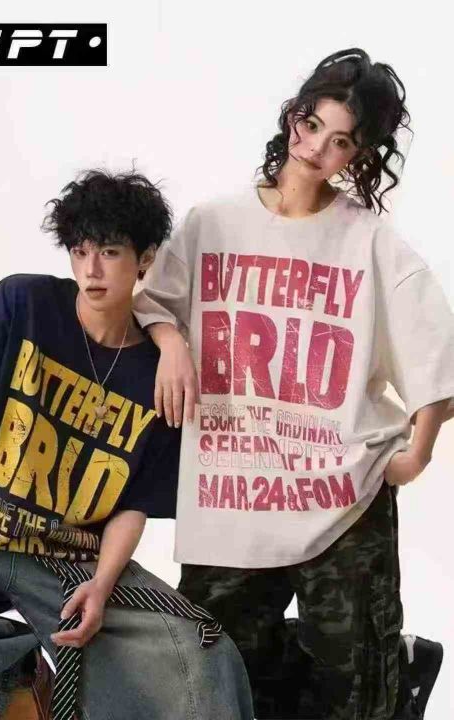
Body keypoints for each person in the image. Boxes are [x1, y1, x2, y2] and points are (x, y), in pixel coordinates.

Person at [133, 49, 454, 719]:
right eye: (312, 126)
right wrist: (172, 343)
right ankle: (391, 663)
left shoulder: (369, 242)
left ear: (358, 156)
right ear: (292, 117)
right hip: (235, 495)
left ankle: (390, 671)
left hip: (342, 499)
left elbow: (436, 351)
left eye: (341, 142)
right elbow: (152, 302)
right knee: (213, 674)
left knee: (355, 694)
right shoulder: (214, 222)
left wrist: (418, 452)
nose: (316, 149)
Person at [0, 169, 254, 720]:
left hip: (70, 561)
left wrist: (101, 583)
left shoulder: (161, 375)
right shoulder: (21, 303)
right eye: (80, 251)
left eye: (110, 252)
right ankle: (14, 682)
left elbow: (132, 505)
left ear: (144, 259)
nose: (91, 270)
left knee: (203, 649)